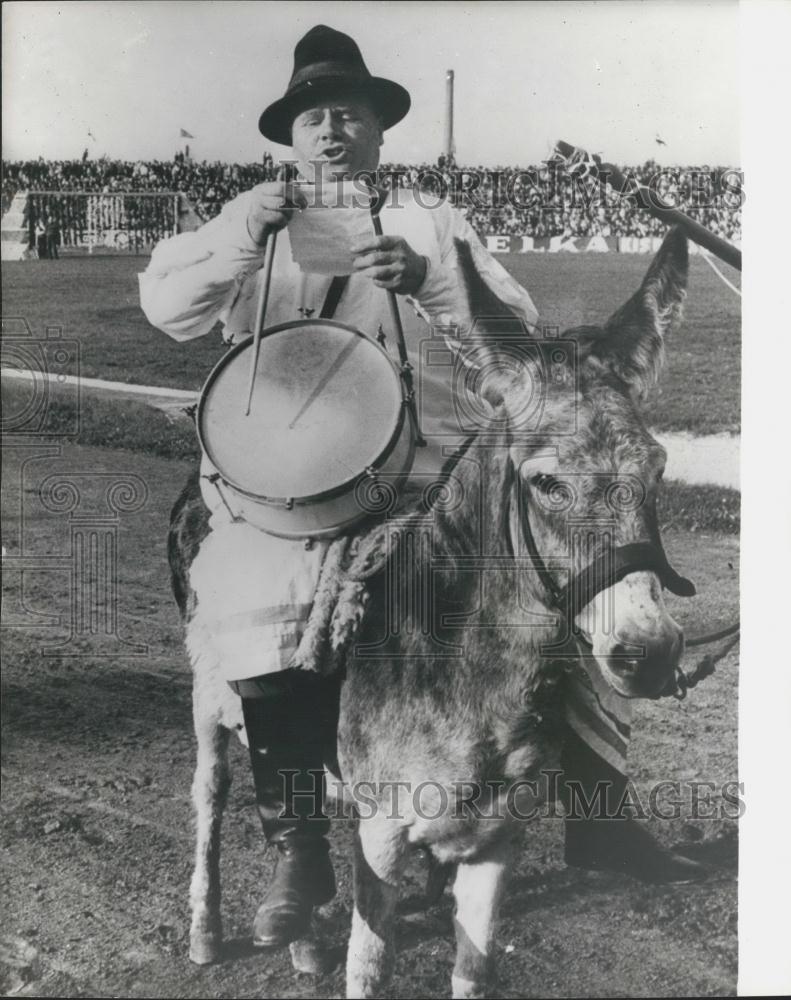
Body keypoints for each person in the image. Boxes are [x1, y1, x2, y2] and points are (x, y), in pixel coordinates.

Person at [140, 24, 703, 953]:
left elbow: (517, 333)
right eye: (314, 116)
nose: (332, 132)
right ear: (291, 133)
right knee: (262, 598)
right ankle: (300, 847)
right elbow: (168, 311)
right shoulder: (246, 218)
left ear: (377, 130)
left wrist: (432, 282)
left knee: (562, 585)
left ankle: (601, 810)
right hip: (293, 492)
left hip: (432, 478)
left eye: (349, 115)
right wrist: (244, 238)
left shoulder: (431, 222)